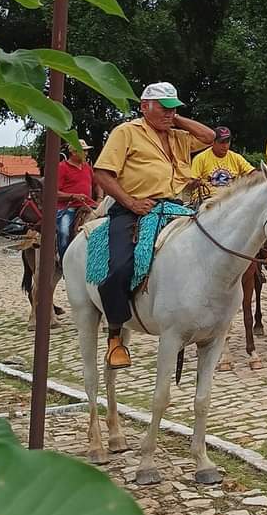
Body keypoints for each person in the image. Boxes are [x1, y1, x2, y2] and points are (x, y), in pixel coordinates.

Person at [92, 83, 215, 369]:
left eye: (173, 107)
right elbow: (102, 173)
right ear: (144, 106)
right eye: (163, 106)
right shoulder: (126, 132)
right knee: (119, 268)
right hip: (135, 209)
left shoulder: (178, 135)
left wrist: (174, 117)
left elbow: (209, 137)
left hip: (177, 208)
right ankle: (114, 337)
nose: (169, 112)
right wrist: (131, 203)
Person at [56, 139, 98, 261]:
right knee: (64, 232)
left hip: (89, 205)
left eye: (86, 151)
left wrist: (100, 198)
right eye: (83, 151)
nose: (86, 154)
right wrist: (73, 196)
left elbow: (97, 184)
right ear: (74, 152)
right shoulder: (62, 168)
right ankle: (65, 261)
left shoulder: (87, 167)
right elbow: (54, 192)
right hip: (68, 208)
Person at [190, 126, 254, 198]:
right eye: (221, 142)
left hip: (231, 198)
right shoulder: (200, 158)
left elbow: (252, 172)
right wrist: (195, 183)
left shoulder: (236, 158)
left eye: (227, 142)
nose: (225, 145)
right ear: (213, 142)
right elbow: (192, 182)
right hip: (208, 197)